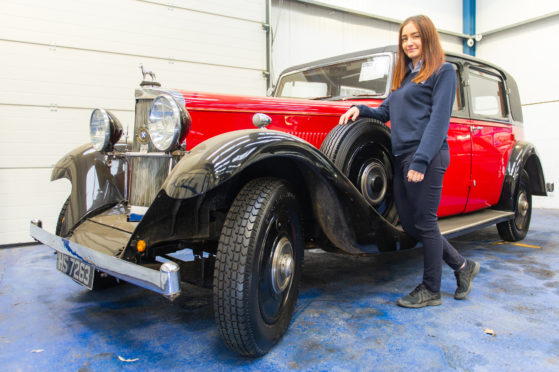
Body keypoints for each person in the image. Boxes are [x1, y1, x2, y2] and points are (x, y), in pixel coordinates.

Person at [339, 15, 480, 308]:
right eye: (405, 38)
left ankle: (431, 290)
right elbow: (383, 112)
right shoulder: (404, 78)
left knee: (425, 223)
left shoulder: (444, 71)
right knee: (413, 226)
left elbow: (439, 121)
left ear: (427, 37)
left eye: (415, 36)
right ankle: (463, 266)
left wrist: (421, 161)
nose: (410, 42)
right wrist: (358, 109)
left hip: (425, 156)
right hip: (401, 156)